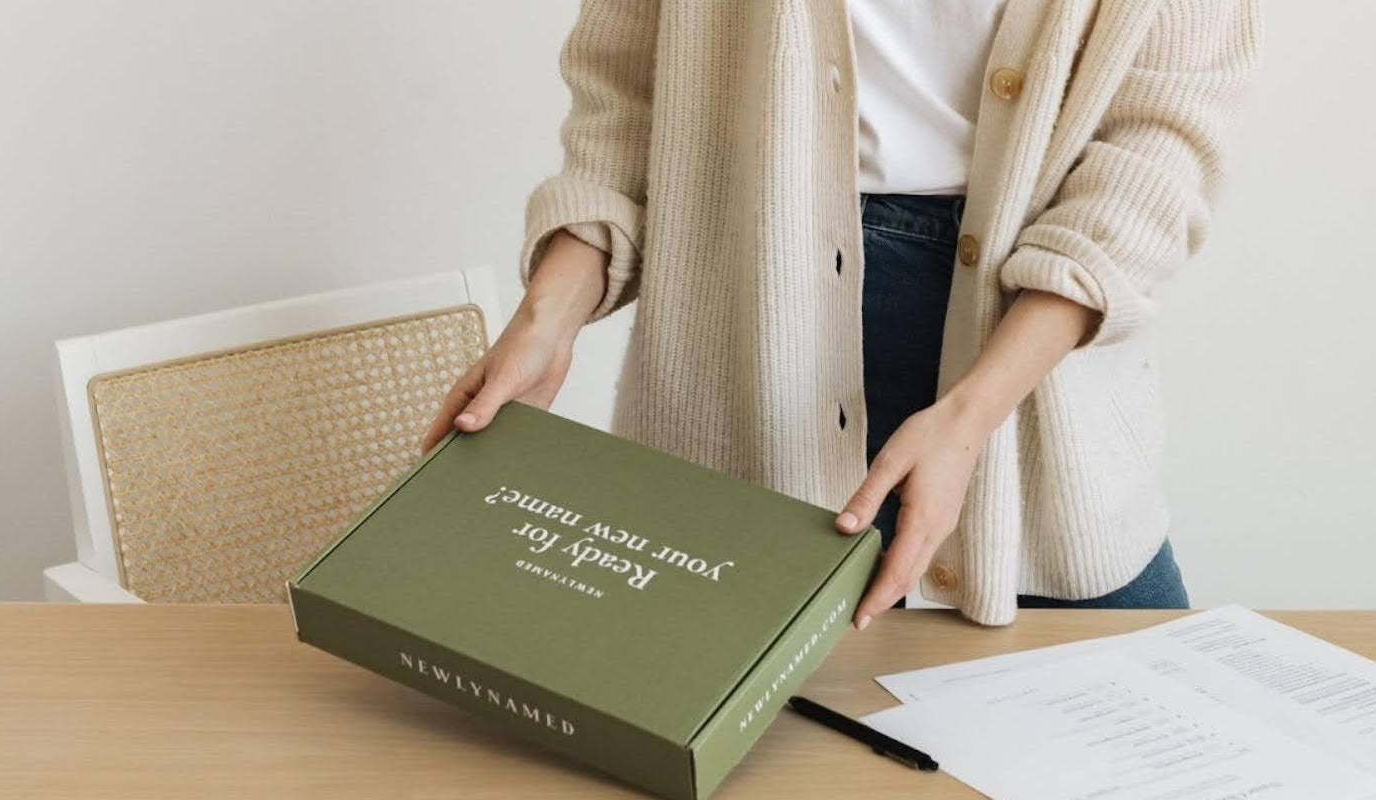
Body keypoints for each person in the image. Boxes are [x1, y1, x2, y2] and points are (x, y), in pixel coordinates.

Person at [423, 0, 1263, 628]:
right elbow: (625, 110)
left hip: (1036, 367)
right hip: (743, 353)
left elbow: (1158, 155)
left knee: (1145, 731)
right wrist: (546, 320)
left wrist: (972, 414)